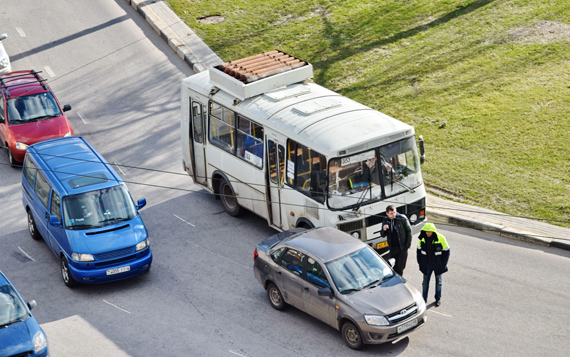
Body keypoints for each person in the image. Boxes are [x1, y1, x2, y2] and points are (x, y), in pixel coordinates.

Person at [416, 222, 450, 307]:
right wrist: (420, 262)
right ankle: (424, 299)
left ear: (433, 232)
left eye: (430, 232)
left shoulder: (441, 238)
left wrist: (443, 264)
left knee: (439, 283)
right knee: (425, 283)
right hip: (426, 265)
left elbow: (447, 251)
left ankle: (438, 299)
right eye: (426, 231)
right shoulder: (422, 239)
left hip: (437, 265)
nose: (428, 233)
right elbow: (418, 251)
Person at [380, 205, 412, 276]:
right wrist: (384, 229)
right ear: (387, 213)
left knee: (400, 267)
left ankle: (399, 281)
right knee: (393, 267)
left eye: (394, 212)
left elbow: (409, 231)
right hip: (393, 248)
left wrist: (407, 246)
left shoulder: (402, 218)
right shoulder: (386, 220)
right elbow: (382, 235)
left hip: (402, 247)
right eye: (391, 213)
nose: (393, 215)